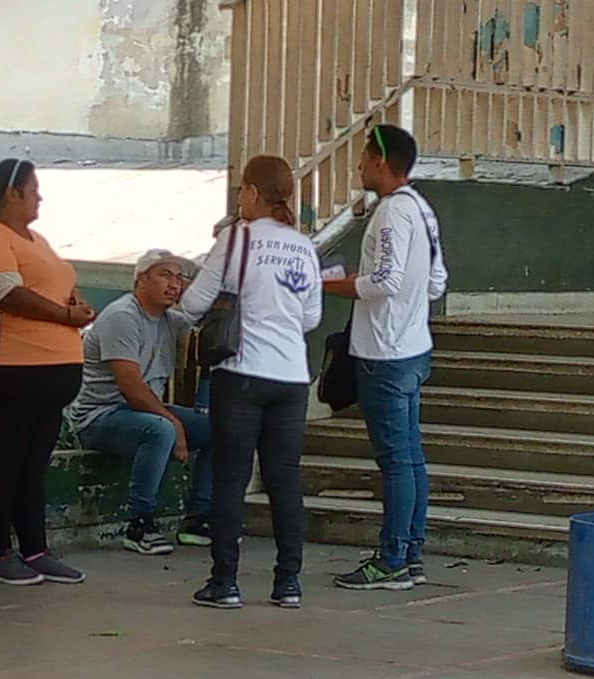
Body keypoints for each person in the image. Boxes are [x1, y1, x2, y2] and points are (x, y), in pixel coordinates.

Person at [181, 155, 322, 609]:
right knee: (284, 478)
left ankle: (225, 581)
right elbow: (312, 317)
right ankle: (289, 582)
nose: (239, 196)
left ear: (254, 194)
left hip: (240, 373)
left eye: (242, 189)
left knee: (231, 477)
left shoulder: (235, 239)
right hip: (291, 378)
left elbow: (193, 303)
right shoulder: (304, 245)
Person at [324, 125, 448, 591]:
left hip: (385, 353)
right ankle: (410, 552)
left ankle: (392, 558)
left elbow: (384, 282)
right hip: (414, 346)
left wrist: (329, 285)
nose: (358, 166)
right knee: (411, 458)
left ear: (380, 161)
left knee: (396, 461)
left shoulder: (391, 213)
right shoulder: (422, 209)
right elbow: (436, 282)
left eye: (362, 158)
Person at [0, 159, 93, 586]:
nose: (40, 197)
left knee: (34, 465)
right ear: (12, 193)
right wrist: (65, 315)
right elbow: (7, 292)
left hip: (53, 376)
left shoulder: (37, 238)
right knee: (3, 462)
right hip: (12, 372)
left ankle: (36, 549)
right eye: (33, 190)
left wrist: (77, 306)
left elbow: (57, 282)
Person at [67, 249, 212, 555]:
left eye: (179, 277)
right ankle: (140, 524)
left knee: (216, 429)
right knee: (160, 429)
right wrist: (174, 423)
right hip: (100, 415)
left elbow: (207, 335)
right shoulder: (122, 316)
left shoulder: (173, 320)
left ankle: (198, 518)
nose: (174, 284)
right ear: (141, 279)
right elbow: (131, 386)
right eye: (165, 275)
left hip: (143, 412)